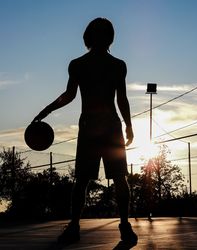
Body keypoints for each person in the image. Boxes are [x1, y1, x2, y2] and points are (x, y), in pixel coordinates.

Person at [33, 17, 138, 246]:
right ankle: (124, 226)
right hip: (110, 126)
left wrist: (47, 110)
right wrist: (128, 125)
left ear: (87, 37)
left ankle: (74, 226)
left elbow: (70, 95)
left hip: (91, 126)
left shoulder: (79, 64)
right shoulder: (116, 65)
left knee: (82, 180)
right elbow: (122, 99)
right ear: (110, 37)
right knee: (118, 178)